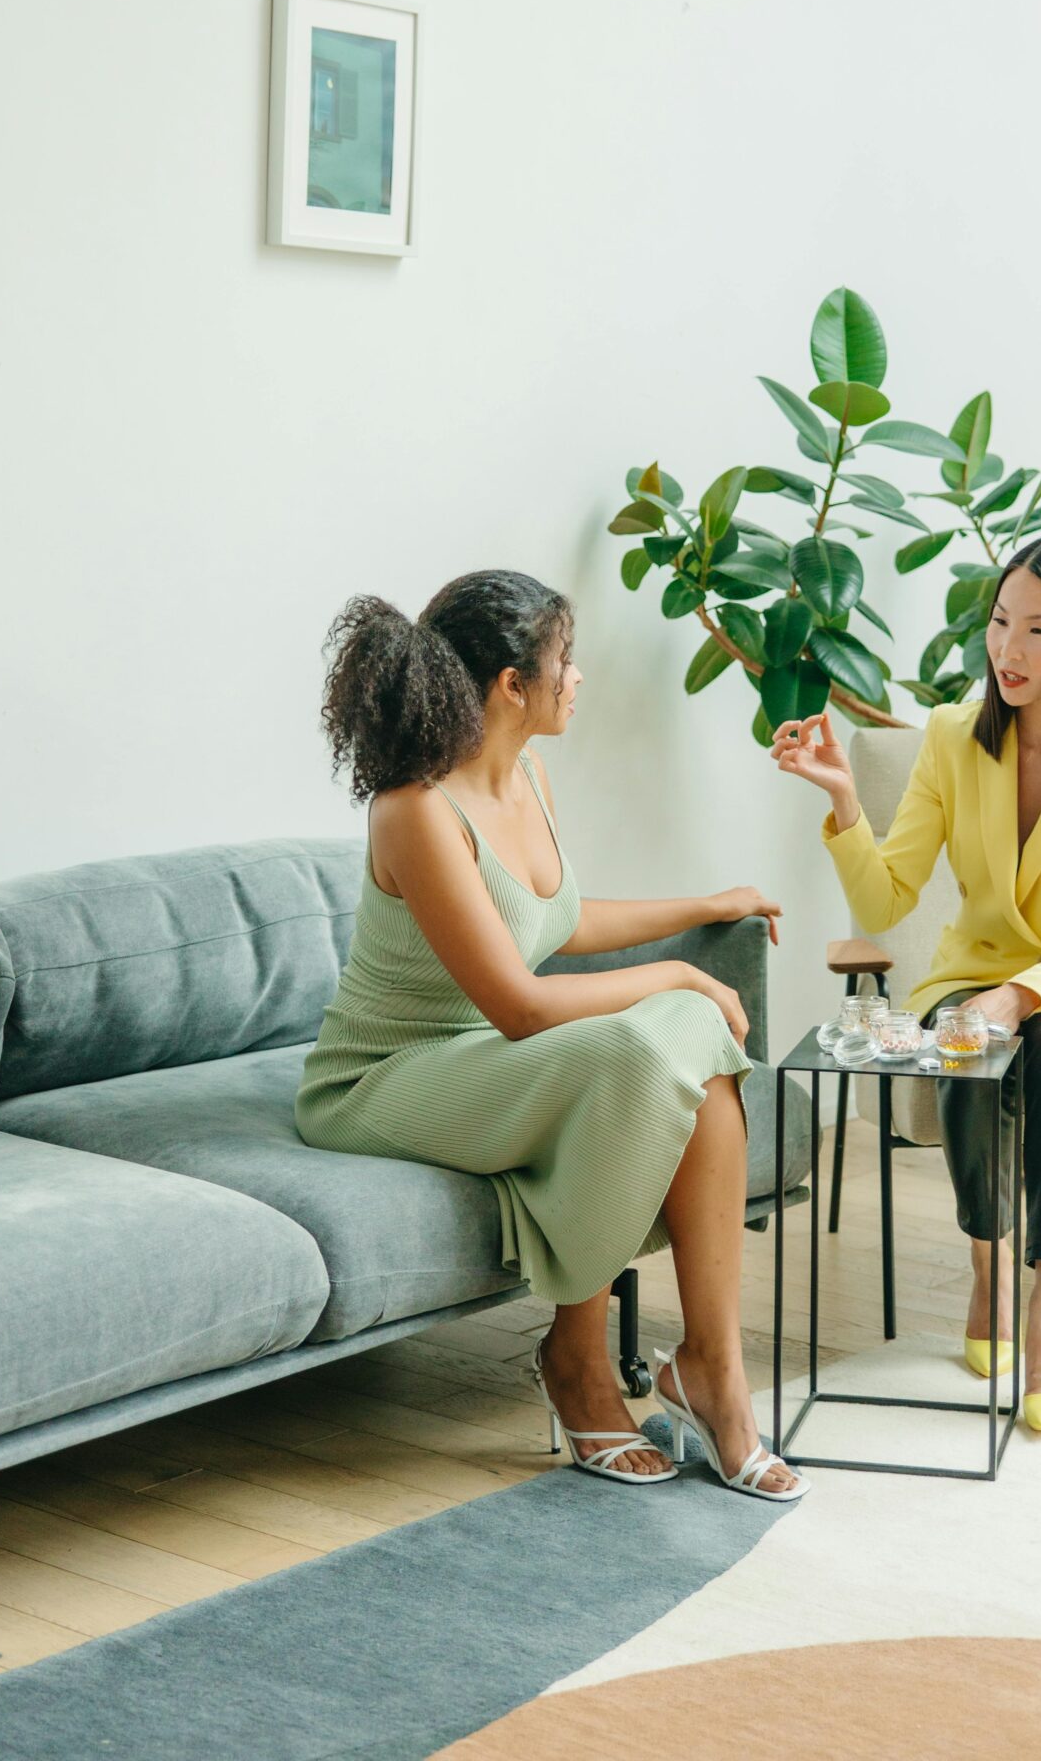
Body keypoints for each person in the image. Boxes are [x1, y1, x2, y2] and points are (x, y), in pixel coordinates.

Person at [297, 569, 807, 1500]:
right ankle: (576, 1358)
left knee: (677, 1044)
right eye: (564, 661)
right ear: (509, 686)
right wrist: (685, 970)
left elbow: (553, 925)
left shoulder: (527, 776)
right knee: (652, 1040)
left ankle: (712, 1372)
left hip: (486, 1060)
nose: (577, 679)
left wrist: (704, 903)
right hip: (383, 1079)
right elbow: (520, 1006)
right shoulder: (414, 810)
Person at [771, 534, 1041, 1432]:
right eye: (1001, 622)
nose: (1008, 650)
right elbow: (886, 896)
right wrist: (844, 801)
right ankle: (987, 1266)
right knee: (966, 1022)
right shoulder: (952, 737)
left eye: (1037, 632)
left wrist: (1025, 995)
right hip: (978, 980)